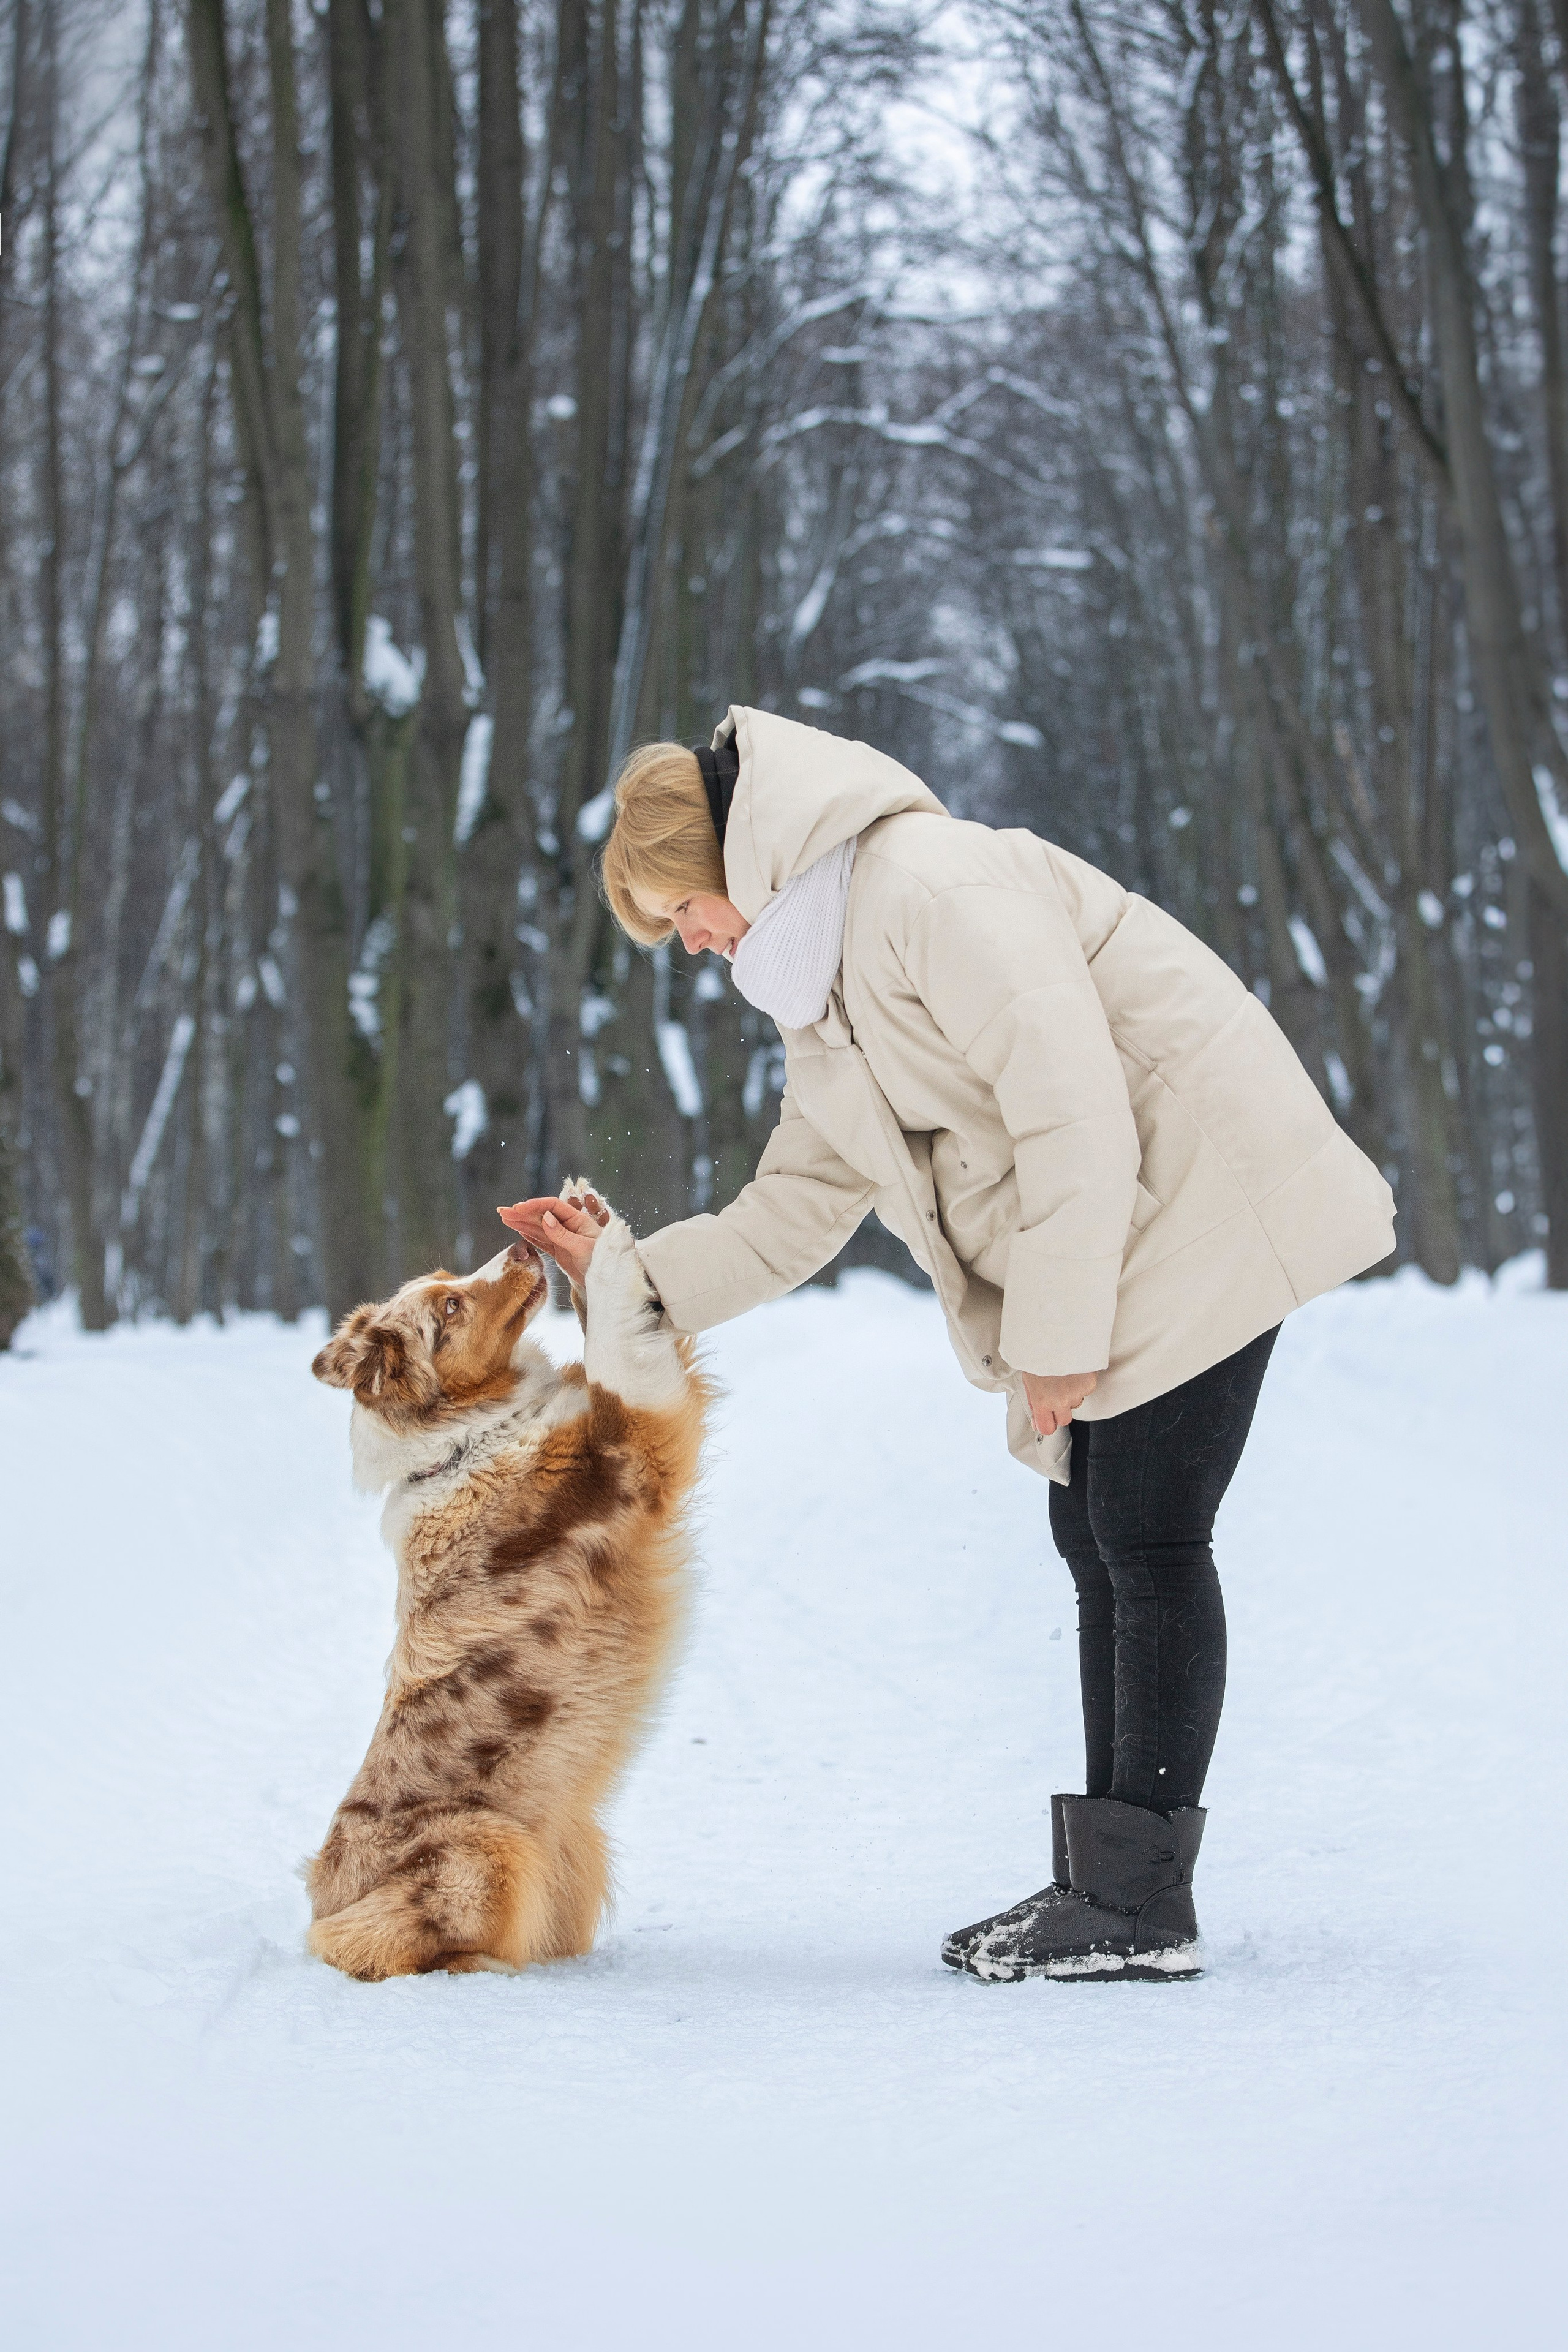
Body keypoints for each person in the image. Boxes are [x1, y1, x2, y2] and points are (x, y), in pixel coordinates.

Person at [501, 707, 1395, 1983]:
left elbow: (1075, 1113)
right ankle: (1109, 1889)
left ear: (736, 862)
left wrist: (1056, 1336)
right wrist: (621, 1276)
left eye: (681, 913)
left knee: (1142, 1530)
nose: (691, 945)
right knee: (1093, 1531)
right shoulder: (823, 1001)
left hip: (1204, 1197)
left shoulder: (928, 888)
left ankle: (1139, 1912)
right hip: (1130, 1218)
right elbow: (789, 1212)